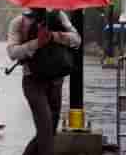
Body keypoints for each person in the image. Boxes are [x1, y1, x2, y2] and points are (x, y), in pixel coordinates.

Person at [6, 8, 81, 155]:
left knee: (49, 130)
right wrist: (37, 43)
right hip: (32, 81)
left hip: (56, 81)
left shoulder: (59, 16)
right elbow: (12, 53)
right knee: (46, 129)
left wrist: (54, 36)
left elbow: (77, 40)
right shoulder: (18, 22)